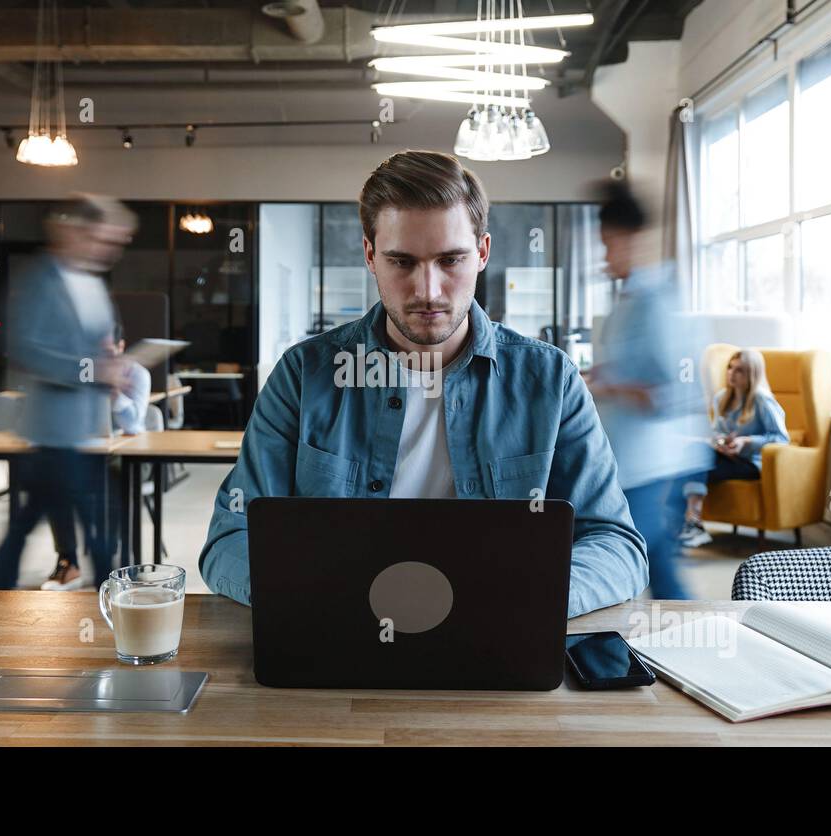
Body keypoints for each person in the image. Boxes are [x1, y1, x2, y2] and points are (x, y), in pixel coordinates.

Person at [199, 149, 647, 618]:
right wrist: (320, 595)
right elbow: (231, 536)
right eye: (402, 262)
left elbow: (615, 543)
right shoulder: (303, 375)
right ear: (371, 256)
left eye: (450, 260)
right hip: (340, 634)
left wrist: (525, 599)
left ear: (482, 253)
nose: (428, 291)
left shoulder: (551, 381)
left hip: (497, 639)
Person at [0, 193, 136, 591]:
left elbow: (90, 344)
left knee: (37, 523)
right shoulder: (40, 278)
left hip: (88, 431)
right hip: (54, 432)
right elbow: (25, 348)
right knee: (98, 527)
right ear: (75, 231)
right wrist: (91, 370)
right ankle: (113, 601)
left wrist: (109, 363)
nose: (111, 249)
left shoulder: (92, 283)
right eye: (105, 238)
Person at [585, 180, 709, 600]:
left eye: (608, 245)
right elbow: (635, 370)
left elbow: (680, 391)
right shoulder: (630, 298)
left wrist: (612, 386)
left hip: (658, 465)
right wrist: (604, 376)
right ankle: (680, 651)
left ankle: (686, 653)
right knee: (650, 563)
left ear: (630, 239)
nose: (605, 256)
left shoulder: (657, 302)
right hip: (632, 464)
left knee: (632, 562)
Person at [41, 321, 150, 590]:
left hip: (128, 454)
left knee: (112, 477)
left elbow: (134, 426)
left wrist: (113, 393)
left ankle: (113, 563)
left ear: (121, 347)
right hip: (87, 452)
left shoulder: (136, 374)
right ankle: (69, 561)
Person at [678, 348, 789, 548]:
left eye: (739, 370)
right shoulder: (721, 398)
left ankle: (691, 523)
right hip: (728, 458)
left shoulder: (762, 400)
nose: (731, 373)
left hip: (751, 463)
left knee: (697, 466)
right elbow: (717, 432)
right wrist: (720, 443)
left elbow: (781, 439)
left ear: (751, 374)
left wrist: (746, 442)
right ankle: (691, 523)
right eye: (730, 368)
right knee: (694, 454)